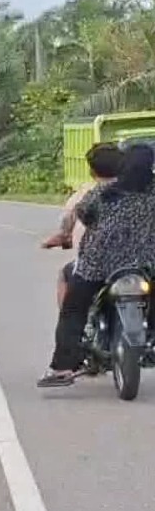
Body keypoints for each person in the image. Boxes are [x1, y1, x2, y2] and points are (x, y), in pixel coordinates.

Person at [38, 143, 155, 387]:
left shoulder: (103, 192)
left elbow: (85, 216)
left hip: (98, 267)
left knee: (73, 310)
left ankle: (63, 367)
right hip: (144, 265)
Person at [42, 142, 125, 308]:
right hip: (138, 264)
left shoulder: (86, 193)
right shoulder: (140, 191)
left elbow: (67, 220)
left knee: (66, 278)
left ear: (92, 171)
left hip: (95, 266)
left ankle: (69, 331)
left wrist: (63, 236)